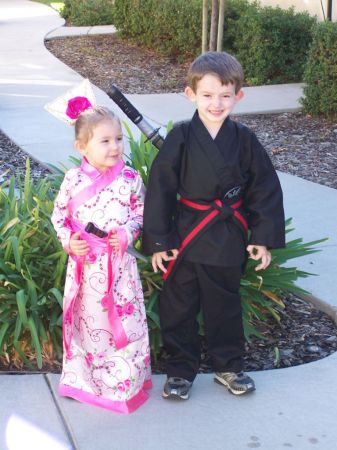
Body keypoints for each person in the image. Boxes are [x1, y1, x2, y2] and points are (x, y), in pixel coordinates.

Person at [142, 51, 285, 400]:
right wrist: (160, 241)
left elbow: (263, 188)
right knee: (179, 307)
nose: (216, 103)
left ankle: (229, 365)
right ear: (191, 95)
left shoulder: (245, 140)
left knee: (224, 306)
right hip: (187, 235)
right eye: (207, 95)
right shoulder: (181, 136)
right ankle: (180, 370)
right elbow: (161, 187)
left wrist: (261, 238)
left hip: (226, 235)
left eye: (225, 95)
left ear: (239, 95)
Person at [51, 100, 151, 414]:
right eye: (105, 141)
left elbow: (140, 215)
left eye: (119, 139)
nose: (115, 147)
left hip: (119, 269)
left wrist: (126, 234)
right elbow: (59, 218)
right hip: (85, 270)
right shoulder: (72, 181)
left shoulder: (130, 179)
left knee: (124, 324)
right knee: (88, 327)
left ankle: (124, 386)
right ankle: (85, 382)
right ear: (82, 146)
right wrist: (70, 241)